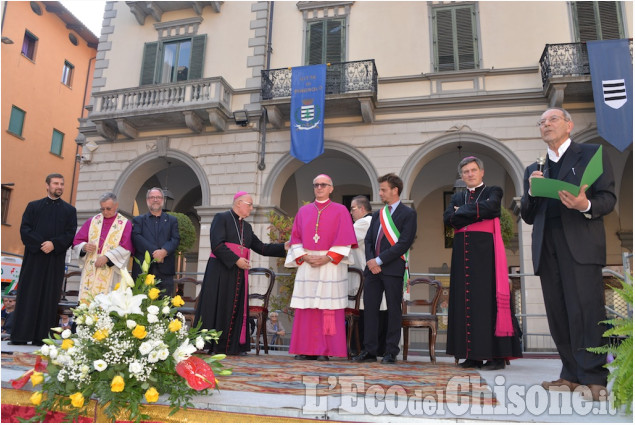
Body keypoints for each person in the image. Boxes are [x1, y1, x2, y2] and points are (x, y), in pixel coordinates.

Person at [521, 107, 616, 401]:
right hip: (546, 247)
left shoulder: (590, 154)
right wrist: (531, 192)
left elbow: (608, 199)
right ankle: (571, 374)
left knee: (587, 311)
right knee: (559, 312)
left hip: (580, 244)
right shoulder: (534, 168)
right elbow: (526, 215)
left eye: (552, 120)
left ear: (569, 125)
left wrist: (584, 204)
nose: (546, 125)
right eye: (542, 122)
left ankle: (594, 377)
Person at [443, 156, 522, 370]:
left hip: (486, 254)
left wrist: (463, 213)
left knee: (487, 302)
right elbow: (448, 218)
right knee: (466, 302)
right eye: (465, 171)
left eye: (473, 170)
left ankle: (496, 357)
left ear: (481, 172)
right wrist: (471, 213)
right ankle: (473, 355)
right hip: (462, 255)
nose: (469, 174)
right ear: (461, 176)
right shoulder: (457, 196)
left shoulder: (493, 191)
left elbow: (492, 208)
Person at [194, 191, 287, 355]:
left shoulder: (247, 227)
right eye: (249, 204)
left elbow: (262, 248)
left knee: (236, 307)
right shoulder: (221, 218)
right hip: (220, 271)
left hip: (238, 273)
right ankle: (214, 345)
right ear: (239, 203)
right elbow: (217, 245)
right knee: (219, 306)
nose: (252, 208)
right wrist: (236, 260)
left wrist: (284, 247)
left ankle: (233, 346)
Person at [285, 174, 358, 361]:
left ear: (331, 188)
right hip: (308, 264)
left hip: (330, 266)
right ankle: (305, 349)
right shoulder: (303, 211)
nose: (319, 188)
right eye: (316, 184)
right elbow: (295, 238)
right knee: (306, 307)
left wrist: (327, 257)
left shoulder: (341, 210)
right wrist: (304, 256)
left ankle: (325, 350)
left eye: (323, 185)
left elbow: (345, 240)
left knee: (328, 308)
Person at [353, 173, 417, 364]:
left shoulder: (408, 214)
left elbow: (404, 243)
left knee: (392, 311)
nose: (380, 193)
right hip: (372, 270)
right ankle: (369, 350)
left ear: (395, 190)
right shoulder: (378, 214)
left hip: (392, 269)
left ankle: (390, 351)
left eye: (383, 190)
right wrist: (371, 261)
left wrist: (379, 261)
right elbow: (370, 240)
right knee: (370, 310)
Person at [10, 174, 77, 346]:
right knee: (28, 295)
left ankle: (42, 337)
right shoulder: (33, 206)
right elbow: (25, 230)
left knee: (49, 296)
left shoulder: (69, 211)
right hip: (34, 259)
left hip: (55, 261)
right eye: (56, 183)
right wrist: (42, 244)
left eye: (62, 184)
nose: (59, 187)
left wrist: (54, 244)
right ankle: (21, 336)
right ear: (47, 185)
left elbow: (70, 234)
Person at [72, 192, 133, 303]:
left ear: (116, 206)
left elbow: (126, 247)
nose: (105, 212)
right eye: (102, 209)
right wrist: (84, 247)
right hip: (91, 268)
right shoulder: (93, 221)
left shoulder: (124, 223)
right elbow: (77, 241)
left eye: (108, 209)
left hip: (110, 269)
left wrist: (107, 257)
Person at [348, 195, 387, 356]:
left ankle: (361, 348)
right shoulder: (373, 222)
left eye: (353, 208)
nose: (351, 212)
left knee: (365, 313)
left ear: (362, 209)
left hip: (364, 277)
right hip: (371, 275)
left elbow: (345, 238)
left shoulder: (364, 223)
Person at [132, 188, 180, 297]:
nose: (155, 200)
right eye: (152, 197)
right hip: (143, 271)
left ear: (162, 200)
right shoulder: (138, 220)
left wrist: (164, 251)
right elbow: (136, 238)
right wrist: (156, 253)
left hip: (165, 269)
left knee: (164, 307)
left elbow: (175, 238)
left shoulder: (172, 220)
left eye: (158, 197)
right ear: (147, 200)